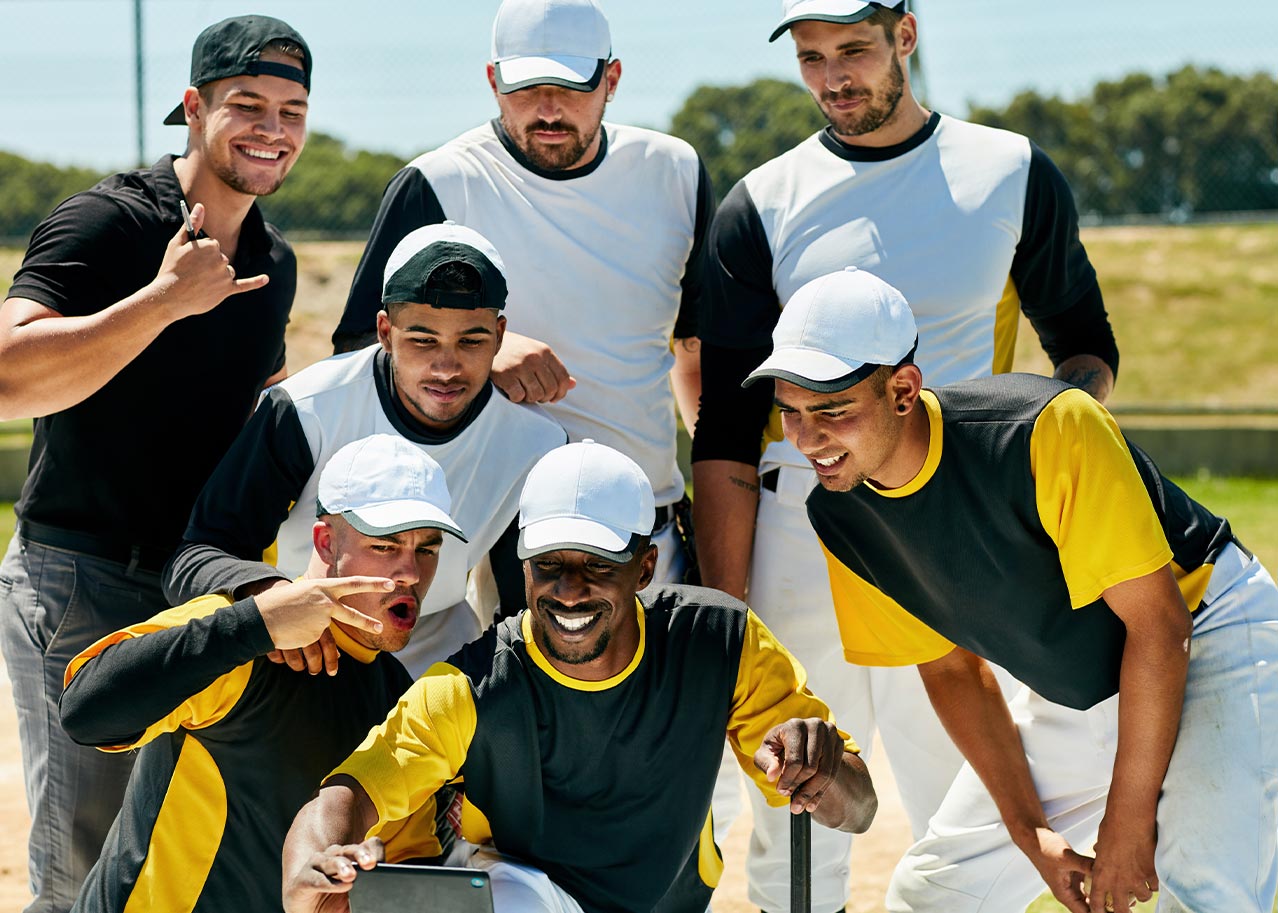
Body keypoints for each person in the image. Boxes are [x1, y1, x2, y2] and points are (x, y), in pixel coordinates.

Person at [691, 2, 1122, 908]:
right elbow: (726, 437)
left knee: (963, 806)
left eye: (853, 49)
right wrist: (727, 612)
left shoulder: (1008, 171)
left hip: (964, 537)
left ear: (906, 37)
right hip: (803, 526)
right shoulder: (760, 201)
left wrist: (1040, 490)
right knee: (798, 796)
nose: (833, 77)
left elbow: (1083, 349)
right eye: (811, 57)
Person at [745, 265, 1278, 913]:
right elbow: (952, 673)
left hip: (1211, 632)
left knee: (1207, 893)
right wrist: (1034, 837)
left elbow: (1161, 626)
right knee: (931, 896)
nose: (806, 439)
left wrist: (1128, 821)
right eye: (790, 413)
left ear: (904, 390)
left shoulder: (1044, 427)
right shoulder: (842, 513)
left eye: (832, 410)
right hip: (1085, 681)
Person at [280, 440, 878, 913]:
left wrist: (823, 772)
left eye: (597, 564)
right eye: (549, 566)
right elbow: (352, 791)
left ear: (644, 567)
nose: (569, 591)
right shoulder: (472, 685)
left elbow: (858, 809)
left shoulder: (721, 641)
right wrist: (313, 858)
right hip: (524, 894)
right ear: (524, 567)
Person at [0, 15, 312, 911]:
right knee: (80, 864)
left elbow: (256, 407)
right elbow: (12, 377)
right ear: (193, 107)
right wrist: (164, 302)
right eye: (246, 104)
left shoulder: (273, 261)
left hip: (194, 590)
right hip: (80, 582)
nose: (271, 129)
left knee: (174, 847)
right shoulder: (108, 222)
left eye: (290, 110)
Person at [330, 0, 712, 585]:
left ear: (612, 79)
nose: (549, 108)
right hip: (503, 545)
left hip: (653, 536)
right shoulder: (437, 183)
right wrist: (474, 353)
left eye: (571, 85)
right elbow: (355, 357)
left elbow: (697, 348)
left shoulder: (676, 171)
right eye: (526, 86)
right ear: (492, 81)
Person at [59, 435, 465, 912]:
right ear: (325, 541)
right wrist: (256, 625)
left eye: (427, 550)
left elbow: (408, 867)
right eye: (384, 546)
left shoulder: (402, 698)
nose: (411, 574)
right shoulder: (237, 630)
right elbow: (86, 712)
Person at [163, 223, 566, 677]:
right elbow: (197, 554)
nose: (447, 366)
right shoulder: (306, 408)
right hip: (304, 654)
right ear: (384, 331)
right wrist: (271, 597)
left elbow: (523, 604)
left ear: (500, 334)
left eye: (471, 340)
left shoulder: (537, 445)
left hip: (438, 671)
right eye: (423, 339)